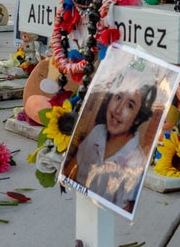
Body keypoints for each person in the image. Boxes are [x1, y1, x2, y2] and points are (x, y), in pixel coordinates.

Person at [68, 73, 158, 212]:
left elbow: (125, 211)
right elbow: (74, 167)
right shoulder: (98, 132)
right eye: (118, 97)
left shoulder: (135, 161)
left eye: (129, 105)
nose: (117, 110)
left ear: (138, 119)